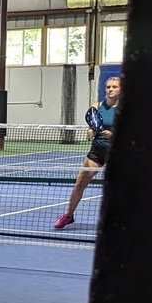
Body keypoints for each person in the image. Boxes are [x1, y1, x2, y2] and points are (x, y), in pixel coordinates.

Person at [55, 76, 121, 230]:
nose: (110, 89)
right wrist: (90, 131)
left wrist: (114, 135)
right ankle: (68, 215)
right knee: (79, 184)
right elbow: (92, 125)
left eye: (114, 87)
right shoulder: (97, 106)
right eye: (108, 87)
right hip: (97, 151)